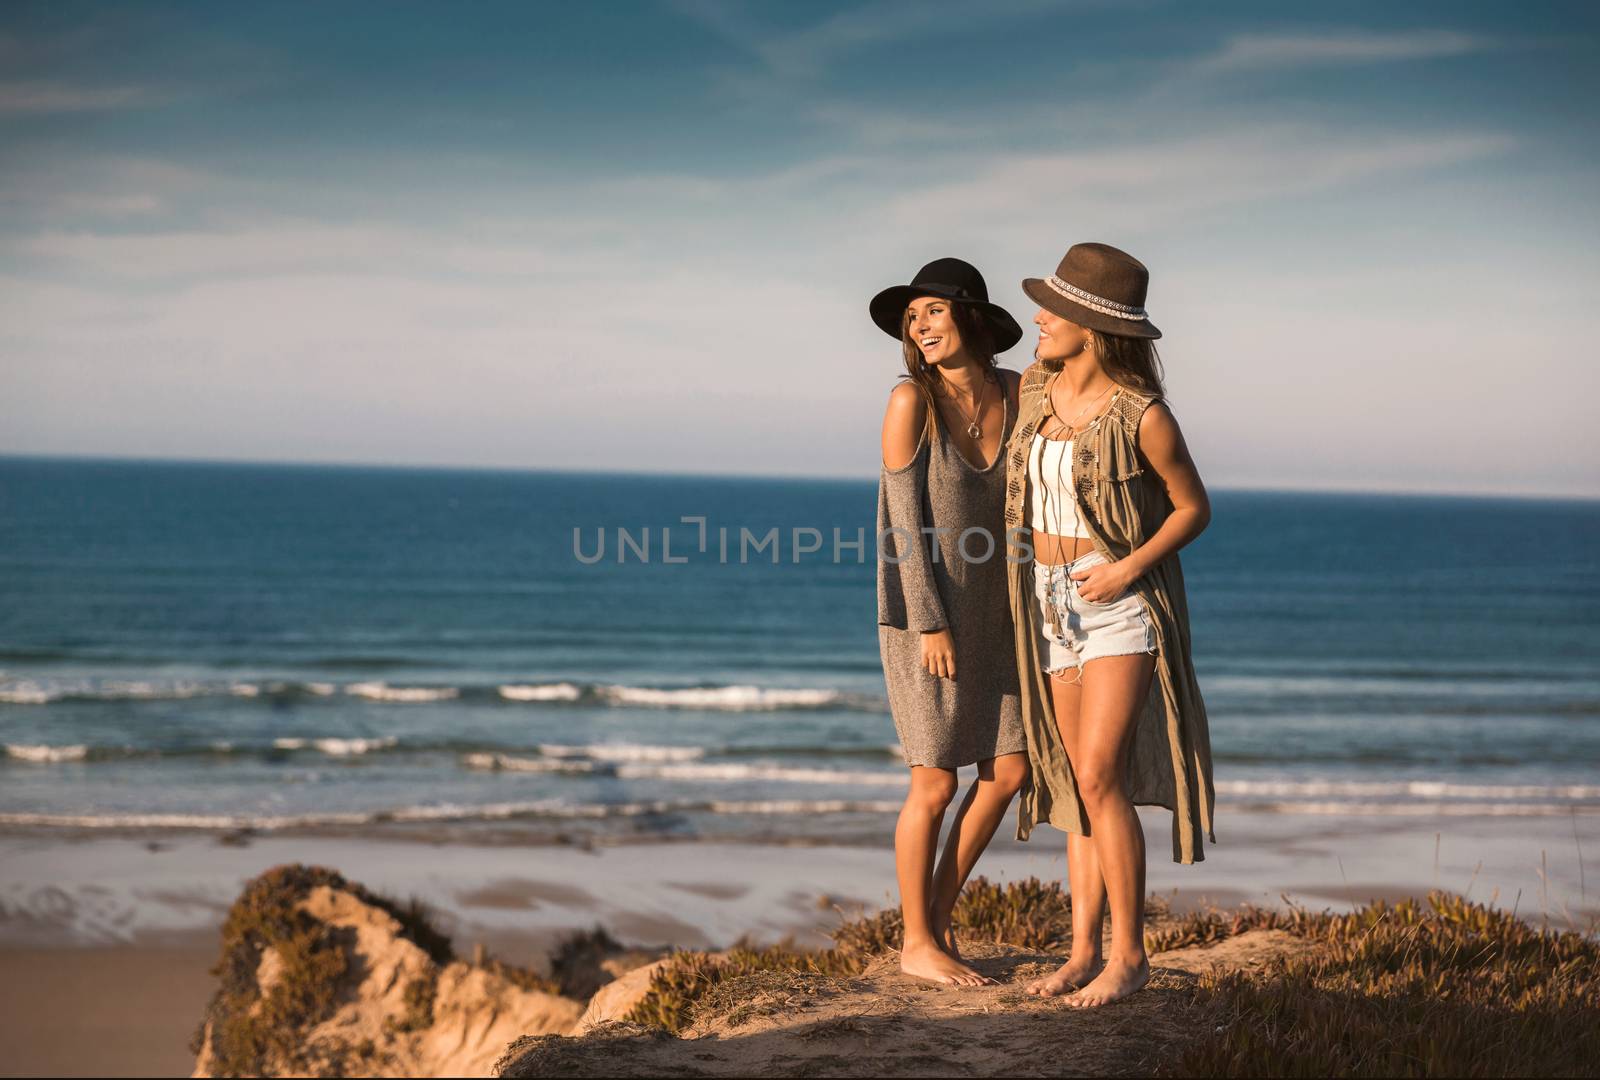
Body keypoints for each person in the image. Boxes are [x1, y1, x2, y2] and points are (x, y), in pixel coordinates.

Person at [1001, 243, 1216, 1007]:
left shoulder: (1143, 416)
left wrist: (1127, 568)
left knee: (1098, 774)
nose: (1037, 317)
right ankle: (1081, 950)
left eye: (1052, 309)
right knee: (1076, 783)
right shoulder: (1034, 390)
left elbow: (1194, 508)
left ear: (1091, 327)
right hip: (1048, 599)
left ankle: (1131, 956)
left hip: (1119, 604)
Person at [873, 257, 1029, 987]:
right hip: (925, 616)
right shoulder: (912, 402)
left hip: (1003, 615)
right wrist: (930, 621)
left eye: (932, 310)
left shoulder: (1020, 393)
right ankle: (915, 942)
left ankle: (935, 923)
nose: (920, 326)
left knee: (1009, 771)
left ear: (970, 317)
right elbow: (905, 524)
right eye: (913, 317)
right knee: (933, 783)